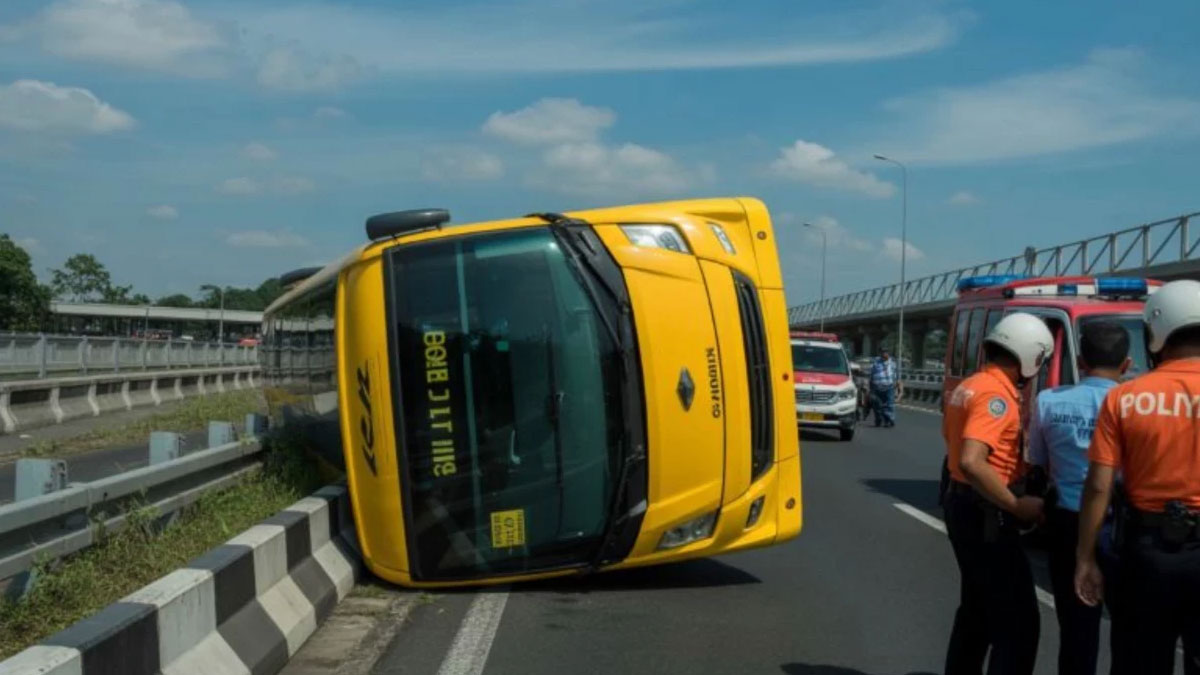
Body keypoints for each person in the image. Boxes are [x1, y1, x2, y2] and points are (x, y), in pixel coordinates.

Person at [1076, 279, 1200, 673]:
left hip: (1147, 553)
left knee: (1139, 662)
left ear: (1154, 334)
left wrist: (1085, 558)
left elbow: (1098, 486)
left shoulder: (1124, 397)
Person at [942, 312, 1053, 675]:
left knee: (976, 611)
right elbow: (973, 461)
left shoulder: (970, 384)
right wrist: (1016, 504)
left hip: (963, 504)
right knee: (1018, 624)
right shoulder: (996, 396)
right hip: (986, 513)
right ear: (1030, 356)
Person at [1028, 321, 1130, 675]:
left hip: (1067, 523)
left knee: (1076, 629)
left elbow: (1037, 461)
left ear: (1081, 361)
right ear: (1127, 364)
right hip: (1123, 526)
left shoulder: (1048, 402)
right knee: (1131, 631)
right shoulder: (1133, 404)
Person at [869, 348, 900, 427]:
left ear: (888, 354)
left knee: (889, 404)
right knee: (877, 405)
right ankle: (878, 419)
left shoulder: (893, 363)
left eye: (886, 352)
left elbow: (896, 376)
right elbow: (871, 375)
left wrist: (897, 387)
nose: (884, 354)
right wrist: (870, 388)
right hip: (877, 388)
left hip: (889, 387)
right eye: (883, 352)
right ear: (880, 353)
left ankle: (889, 420)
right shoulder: (875, 363)